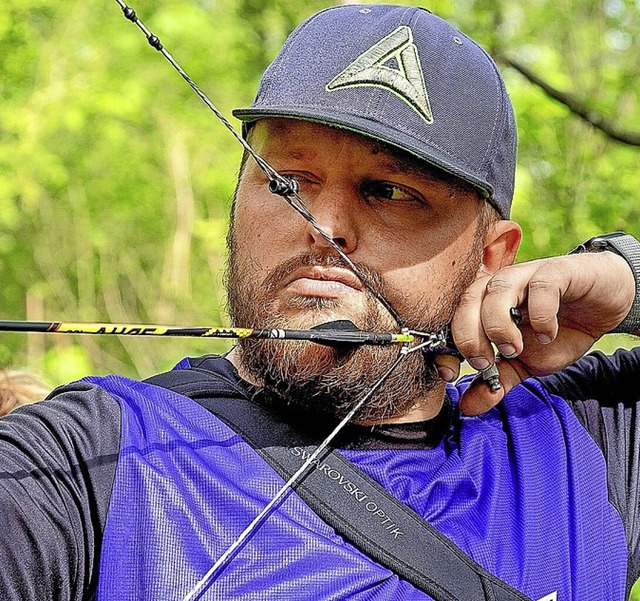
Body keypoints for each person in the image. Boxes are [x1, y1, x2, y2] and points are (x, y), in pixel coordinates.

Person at [0, 5, 638, 600]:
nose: (323, 226)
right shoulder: (86, 462)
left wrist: (624, 280)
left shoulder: (579, 444)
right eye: (287, 181)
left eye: (388, 191)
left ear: (491, 257)